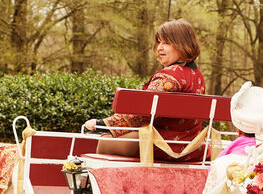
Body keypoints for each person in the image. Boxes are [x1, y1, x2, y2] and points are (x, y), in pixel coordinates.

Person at [84, 19, 206, 158]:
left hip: (162, 145)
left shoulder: (167, 78)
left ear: (183, 45)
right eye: (159, 42)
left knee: (104, 141)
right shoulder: (198, 77)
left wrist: (104, 124)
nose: (160, 47)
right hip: (192, 147)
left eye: (166, 43)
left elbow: (141, 113)